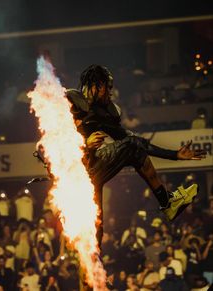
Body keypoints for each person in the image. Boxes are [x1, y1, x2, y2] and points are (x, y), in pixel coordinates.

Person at [66, 64, 206, 246]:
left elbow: (133, 141)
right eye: (108, 87)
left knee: (134, 147)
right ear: (97, 85)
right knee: (94, 230)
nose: (111, 92)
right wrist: (85, 144)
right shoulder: (70, 101)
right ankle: (88, 271)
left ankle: (168, 203)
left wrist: (175, 155)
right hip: (75, 171)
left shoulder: (106, 111)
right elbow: (54, 141)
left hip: (94, 167)